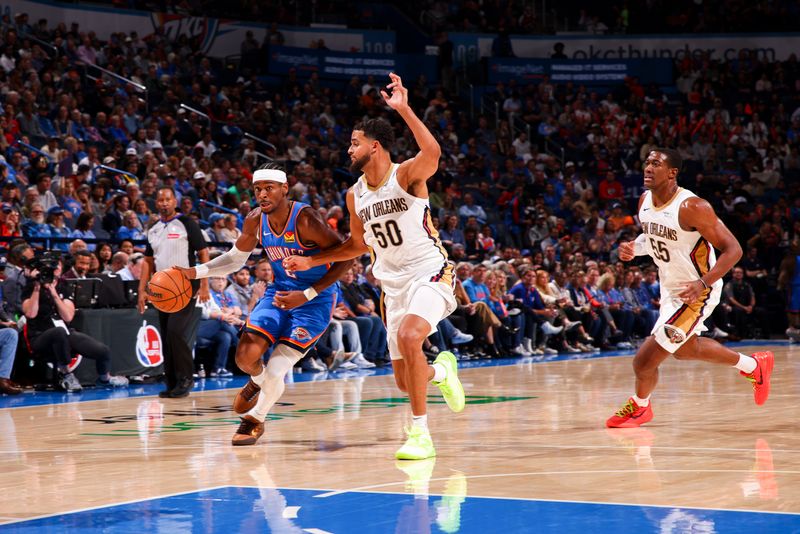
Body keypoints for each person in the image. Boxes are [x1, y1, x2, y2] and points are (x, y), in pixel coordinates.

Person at [284, 73, 465, 461]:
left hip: (429, 271)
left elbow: (432, 152)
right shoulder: (355, 196)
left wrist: (404, 109)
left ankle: (420, 434)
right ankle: (443, 373)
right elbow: (356, 245)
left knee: (412, 337)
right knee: (405, 380)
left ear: (375, 146)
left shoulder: (405, 175)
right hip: (392, 285)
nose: (348, 149)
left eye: (355, 143)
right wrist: (311, 260)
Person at [173, 162, 351, 446]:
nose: (263, 194)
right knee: (245, 356)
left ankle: (254, 420)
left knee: (279, 367)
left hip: (315, 299)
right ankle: (256, 380)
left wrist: (306, 295)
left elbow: (347, 257)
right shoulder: (255, 219)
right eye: (258, 189)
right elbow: (234, 259)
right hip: (279, 292)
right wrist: (196, 272)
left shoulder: (306, 219)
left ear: (284, 189)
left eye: (269, 188)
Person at [607, 148, 773, 428]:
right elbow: (655, 236)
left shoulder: (693, 206)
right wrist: (633, 249)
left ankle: (640, 407)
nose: (648, 167)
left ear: (672, 173)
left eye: (656, 164)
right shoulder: (644, 201)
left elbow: (734, 250)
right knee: (684, 350)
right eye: (647, 162)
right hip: (671, 289)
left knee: (644, 362)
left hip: (698, 291)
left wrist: (702, 283)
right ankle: (754, 367)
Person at [137, 187, 210, 399]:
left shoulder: (187, 223)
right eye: (160, 200)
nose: (164, 203)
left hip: (185, 285)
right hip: (161, 288)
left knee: (176, 332)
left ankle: (186, 378)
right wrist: (142, 290)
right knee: (167, 334)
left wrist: (204, 285)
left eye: (168, 199)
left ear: (174, 200)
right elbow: (148, 261)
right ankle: (171, 381)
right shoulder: (153, 229)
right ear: (156, 203)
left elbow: (203, 253)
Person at [21, 258, 128, 391]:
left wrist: (54, 294)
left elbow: (68, 316)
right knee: (58, 332)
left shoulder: (63, 286)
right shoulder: (30, 287)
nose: (55, 271)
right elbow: (30, 314)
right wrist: (37, 288)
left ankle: (105, 378)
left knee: (103, 350)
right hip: (39, 336)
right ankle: (66, 374)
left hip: (64, 333)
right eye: (51, 269)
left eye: (57, 268)